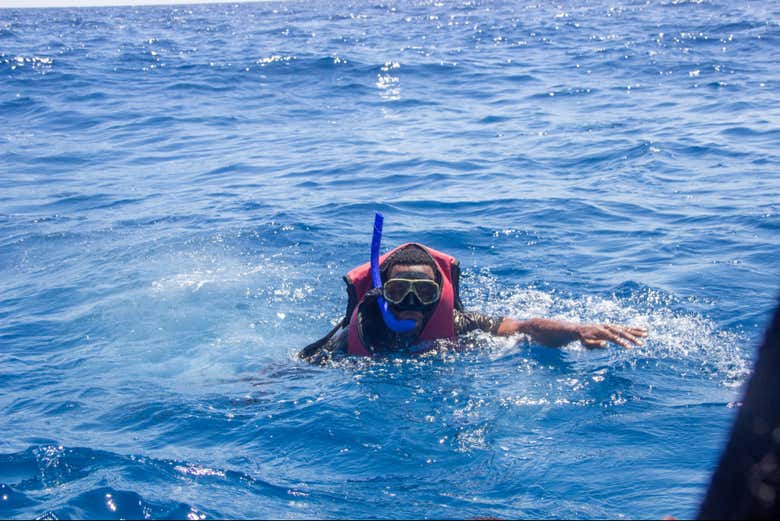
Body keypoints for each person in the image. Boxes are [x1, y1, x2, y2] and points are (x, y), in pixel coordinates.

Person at [300, 215, 647, 364]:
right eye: (399, 291)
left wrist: (576, 330)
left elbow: (526, 327)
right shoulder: (359, 333)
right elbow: (301, 367)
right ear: (382, 294)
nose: (411, 304)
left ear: (438, 295)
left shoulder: (459, 323)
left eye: (424, 293)